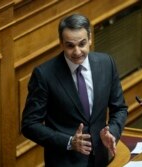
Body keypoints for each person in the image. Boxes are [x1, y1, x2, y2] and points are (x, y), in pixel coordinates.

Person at [21, 13, 128, 167]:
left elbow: (120, 108)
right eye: (70, 45)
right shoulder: (44, 75)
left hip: (101, 159)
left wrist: (112, 131)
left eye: (82, 44)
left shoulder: (106, 63)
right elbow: (29, 125)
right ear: (61, 43)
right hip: (65, 162)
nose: (77, 52)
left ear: (90, 39)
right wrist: (69, 142)